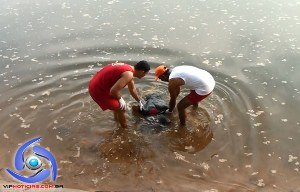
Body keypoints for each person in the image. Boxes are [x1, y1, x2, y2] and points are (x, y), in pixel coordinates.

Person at [89, 61, 150, 128]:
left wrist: (139, 101)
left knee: (118, 106)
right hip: (98, 90)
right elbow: (113, 91)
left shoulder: (129, 69)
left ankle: (116, 121)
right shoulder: (129, 74)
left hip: (94, 83)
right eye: (146, 74)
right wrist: (120, 99)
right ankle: (124, 129)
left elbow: (132, 89)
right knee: (122, 108)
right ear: (142, 71)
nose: (144, 76)